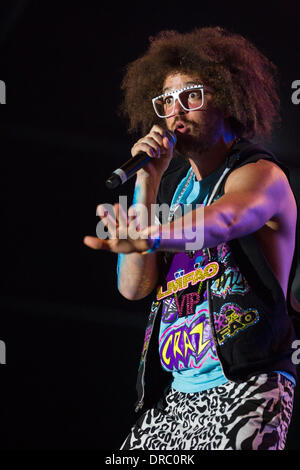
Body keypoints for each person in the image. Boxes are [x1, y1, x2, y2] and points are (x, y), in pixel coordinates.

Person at [84, 27, 298, 450]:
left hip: (247, 387)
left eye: (192, 96)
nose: (176, 111)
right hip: (177, 395)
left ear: (227, 98)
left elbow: (223, 220)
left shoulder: (259, 174)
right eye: (166, 101)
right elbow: (133, 288)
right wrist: (148, 182)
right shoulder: (173, 188)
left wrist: (151, 236)